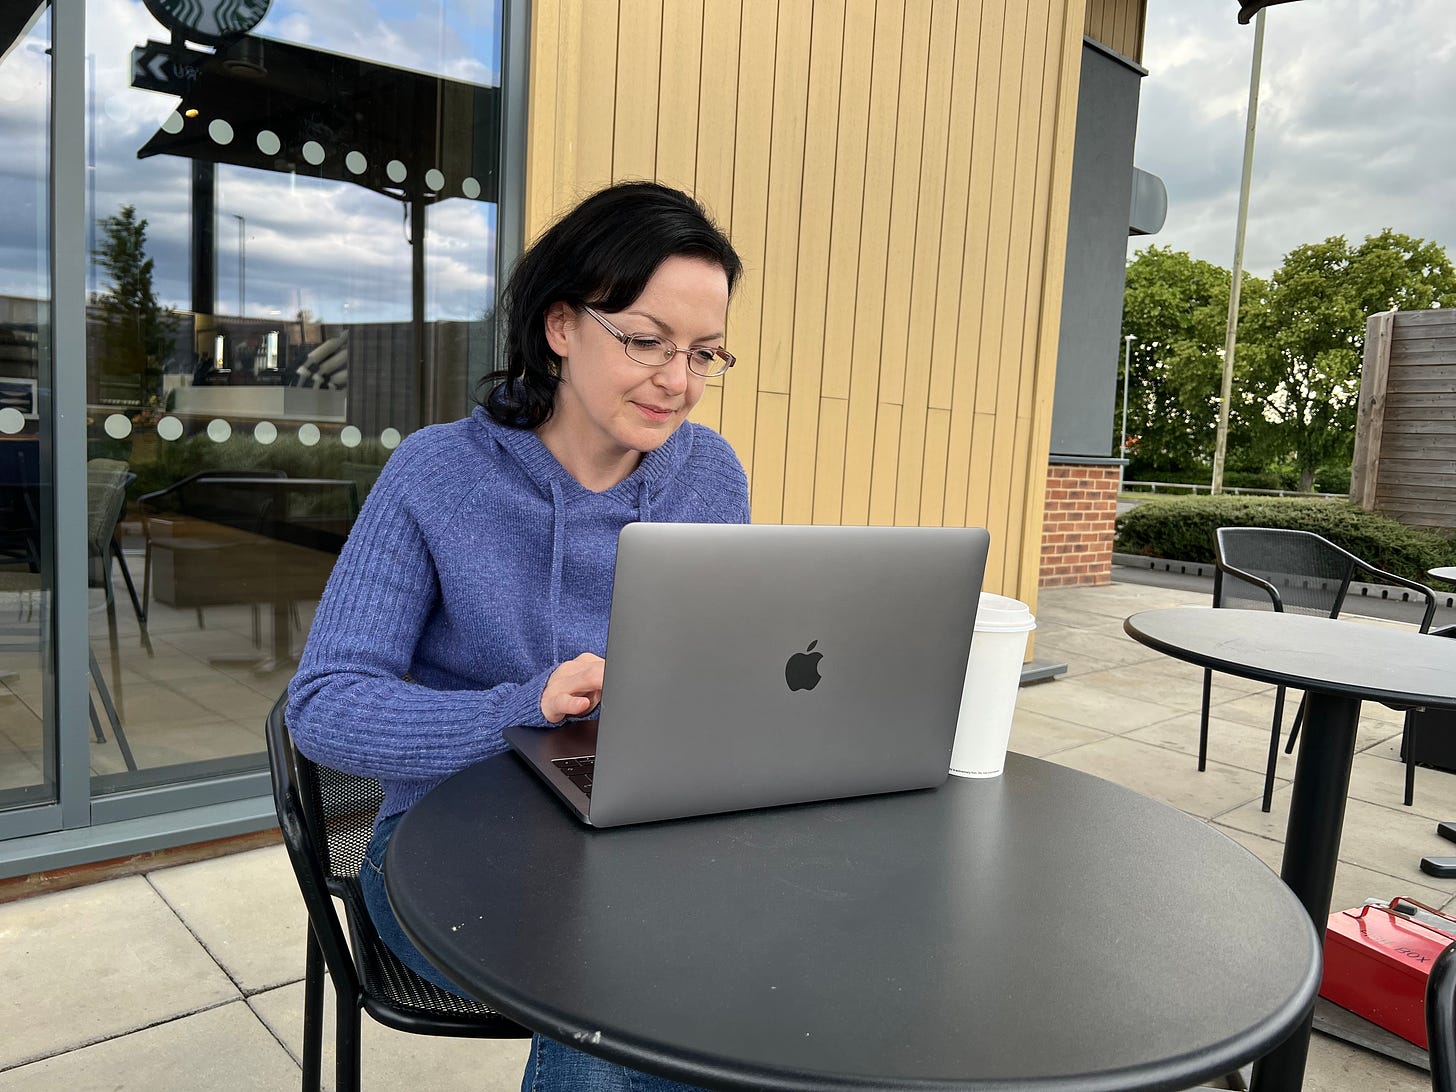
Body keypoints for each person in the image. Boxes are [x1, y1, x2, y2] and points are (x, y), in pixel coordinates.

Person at [286, 181, 747, 1092]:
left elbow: (718, 669)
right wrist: (522, 709)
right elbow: (324, 703)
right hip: (441, 841)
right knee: (614, 978)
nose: (678, 382)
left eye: (704, 354)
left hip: (643, 833)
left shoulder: (711, 477)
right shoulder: (436, 474)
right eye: (648, 342)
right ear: (561, 326)